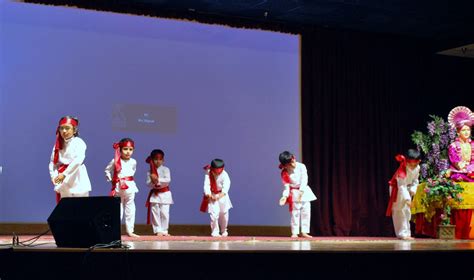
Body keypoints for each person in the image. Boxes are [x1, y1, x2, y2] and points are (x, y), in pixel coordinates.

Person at [49, 116, 91, 203]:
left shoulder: (78, 142)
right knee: (65, 203)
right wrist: (53, 175)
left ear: (74, 130)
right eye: (62, 128)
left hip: (77, 176)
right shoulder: (58, 145)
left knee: (81, 201)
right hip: (62, 178)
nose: (64, 131)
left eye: (67, 128)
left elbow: (78, 160)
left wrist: (65, 174)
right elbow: (53, 162)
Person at [105, 138, 140, 238]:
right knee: (118, 210)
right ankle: (116, 231)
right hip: (118, 188)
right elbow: (107, 170)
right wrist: (111, 179)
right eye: (125, 149)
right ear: (120, 149)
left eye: (130, 149)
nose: (128, 152)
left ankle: (130, 230)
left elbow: (133, 171)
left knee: (130, 209)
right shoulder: (115, 160)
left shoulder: (133, 161)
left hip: (130, 187)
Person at [278, 151, 317, 238]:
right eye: (290, 163)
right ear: (285, 165)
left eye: (293, 161)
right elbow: (286, 186)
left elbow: (304, 179)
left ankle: (304, 232)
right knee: (295, 213)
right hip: (294, 193)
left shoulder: (301, 166)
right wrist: (284, 196)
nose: (293, 164)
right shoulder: (285, 172)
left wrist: (301, 192)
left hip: (304, 191)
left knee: (306, 212)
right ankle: (295, 232)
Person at [385, 149, 421, 240]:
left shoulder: (418, 168)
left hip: (407, 188)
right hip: (397, 189)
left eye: (415, 164)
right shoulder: (402, 170)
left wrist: (413, 190)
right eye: (410, 164)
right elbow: (401, 186)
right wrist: (407, 199)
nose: (413, 166)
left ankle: (407, 233)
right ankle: (402, 234)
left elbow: (415, 180)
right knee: (399, 210)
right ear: (406, 161)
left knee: (407, 211)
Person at [199, 159, 232, 237]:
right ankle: (215, 232)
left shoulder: (225, 175)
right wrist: (209, 194)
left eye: (219, 169)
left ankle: (224, 230)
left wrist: (217, 196)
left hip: (222, 196)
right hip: (212, 195)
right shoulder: (208, 172)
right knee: (214, 214)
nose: (217, 171)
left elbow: (225, 189)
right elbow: (206, 185)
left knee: (224, 214)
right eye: (215, 169)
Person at [145, 149, 173, 236]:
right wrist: (152, 182)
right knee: (155, 212)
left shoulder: (166, 169)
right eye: (156, 159)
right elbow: (148, 183)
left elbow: (168, 180)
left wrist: (157, 180)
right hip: (155, 195)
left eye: (160, 159)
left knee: (164, 213)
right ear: (152, 160)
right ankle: (158, 230)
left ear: (163, 160)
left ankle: (165, 230)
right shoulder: (150, 172)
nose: (158, 161)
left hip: (165, 194)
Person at [447, 106, 474, 182]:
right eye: (463, 130)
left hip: (471, 171)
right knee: (459, 177)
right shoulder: (453, 146)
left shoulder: (473, 144)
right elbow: (457, 164)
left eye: (468, 130)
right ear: (458, 132)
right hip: (459, 173)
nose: (466, 132)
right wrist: (467, 168)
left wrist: (471, 168)